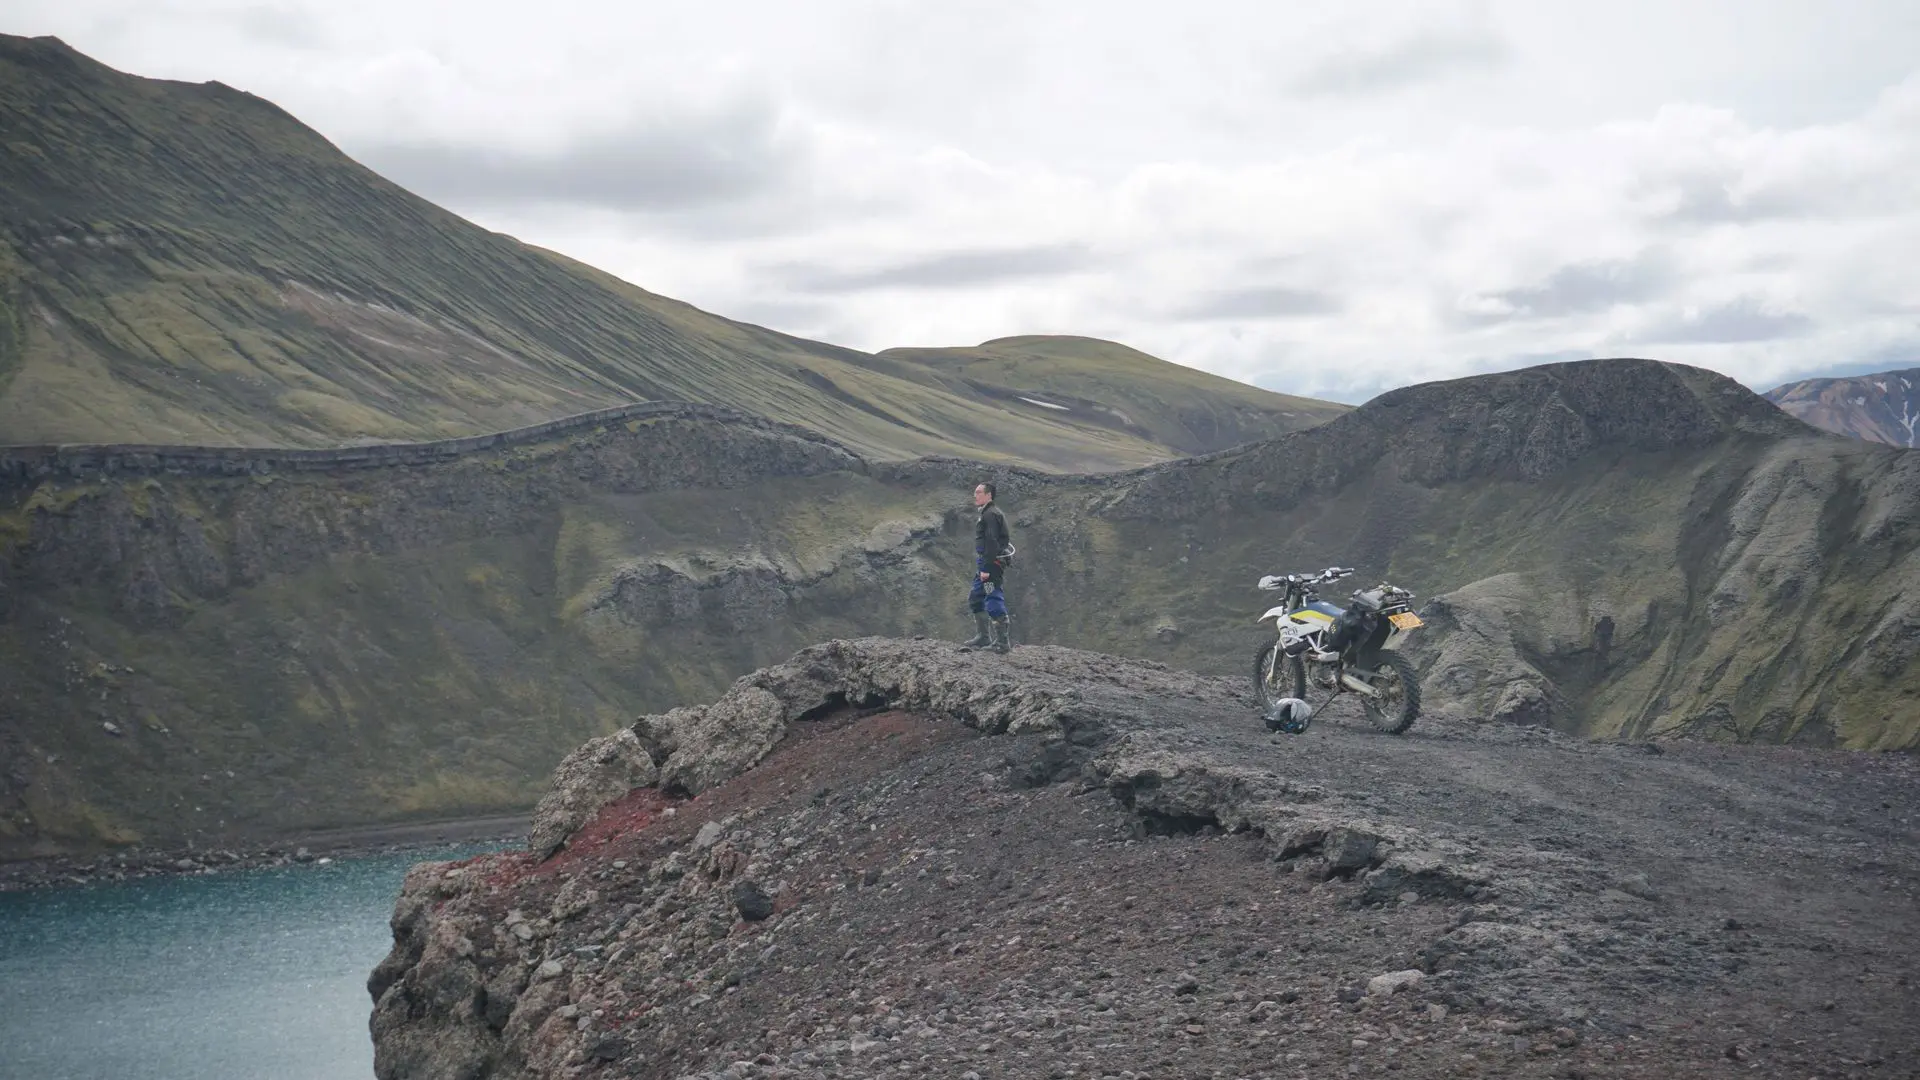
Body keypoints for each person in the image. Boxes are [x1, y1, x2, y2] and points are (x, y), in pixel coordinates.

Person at [962, 481, 1013, 653]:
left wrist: (986, 569)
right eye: (975, 492)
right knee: (976, 597)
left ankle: (1002, 643)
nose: (975, 495)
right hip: (986, 563)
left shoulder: (990, 515)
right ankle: (983, 637)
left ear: (989, 495)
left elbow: (991, 542)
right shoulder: (989, 513)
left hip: (991, 566)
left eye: (978, 492)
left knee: (992, 597)